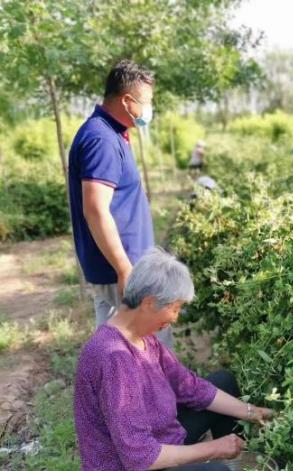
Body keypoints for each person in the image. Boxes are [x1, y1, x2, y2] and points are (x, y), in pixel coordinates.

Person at [73, 249, 274, 471]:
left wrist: (251, 411)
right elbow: (141, 456)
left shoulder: (142, 338)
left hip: (156, 444)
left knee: (223, 382)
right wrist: (213, 449)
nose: (176, 318)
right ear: (149, 302)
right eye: (175, 308)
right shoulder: (113, 358)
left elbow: (190, 387)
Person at [67, 60, 173, 345]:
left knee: (125, 351)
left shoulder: (112, 133)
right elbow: (96, 209)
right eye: (147, 102)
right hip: (123, 272)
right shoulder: (101, 139)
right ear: (127, 101)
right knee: (145, 355)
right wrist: (125, 269)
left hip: (126, 269)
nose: (149, 109)